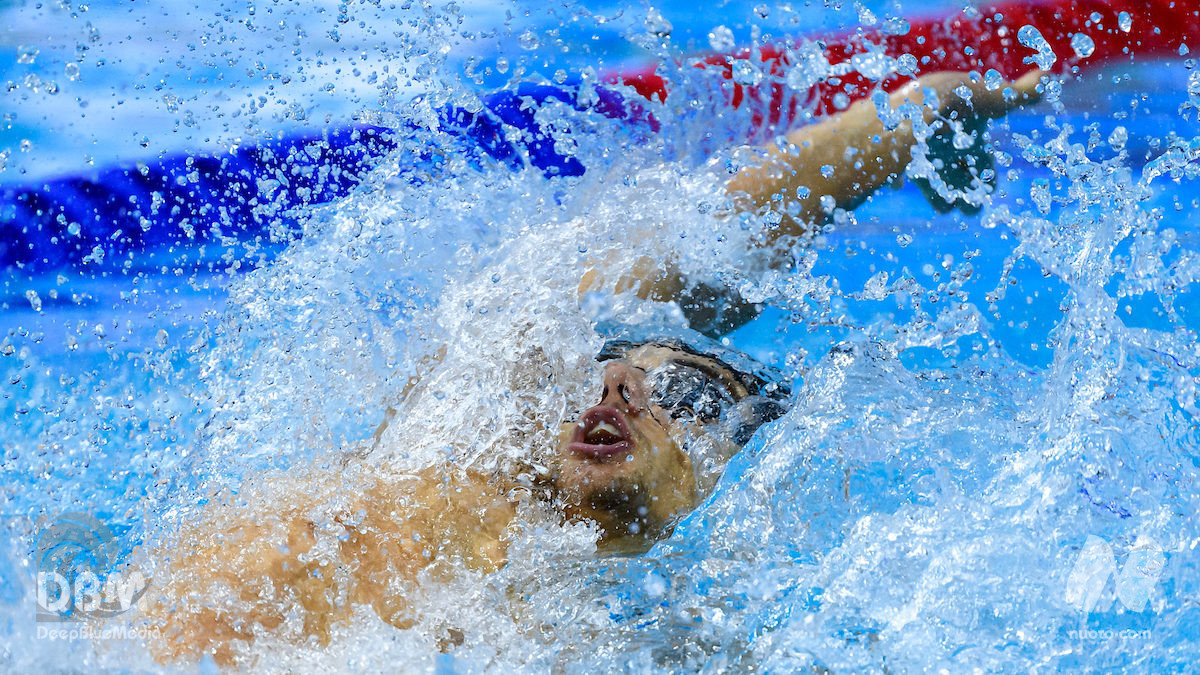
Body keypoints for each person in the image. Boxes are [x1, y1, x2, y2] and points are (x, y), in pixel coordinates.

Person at [137, 68, 1043, 665]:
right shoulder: (453, 461)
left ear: (731, 458)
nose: (619, 385)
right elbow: (704, 250)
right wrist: (906, 119)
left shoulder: (688, 622)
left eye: (682, 391)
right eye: (604, 368)